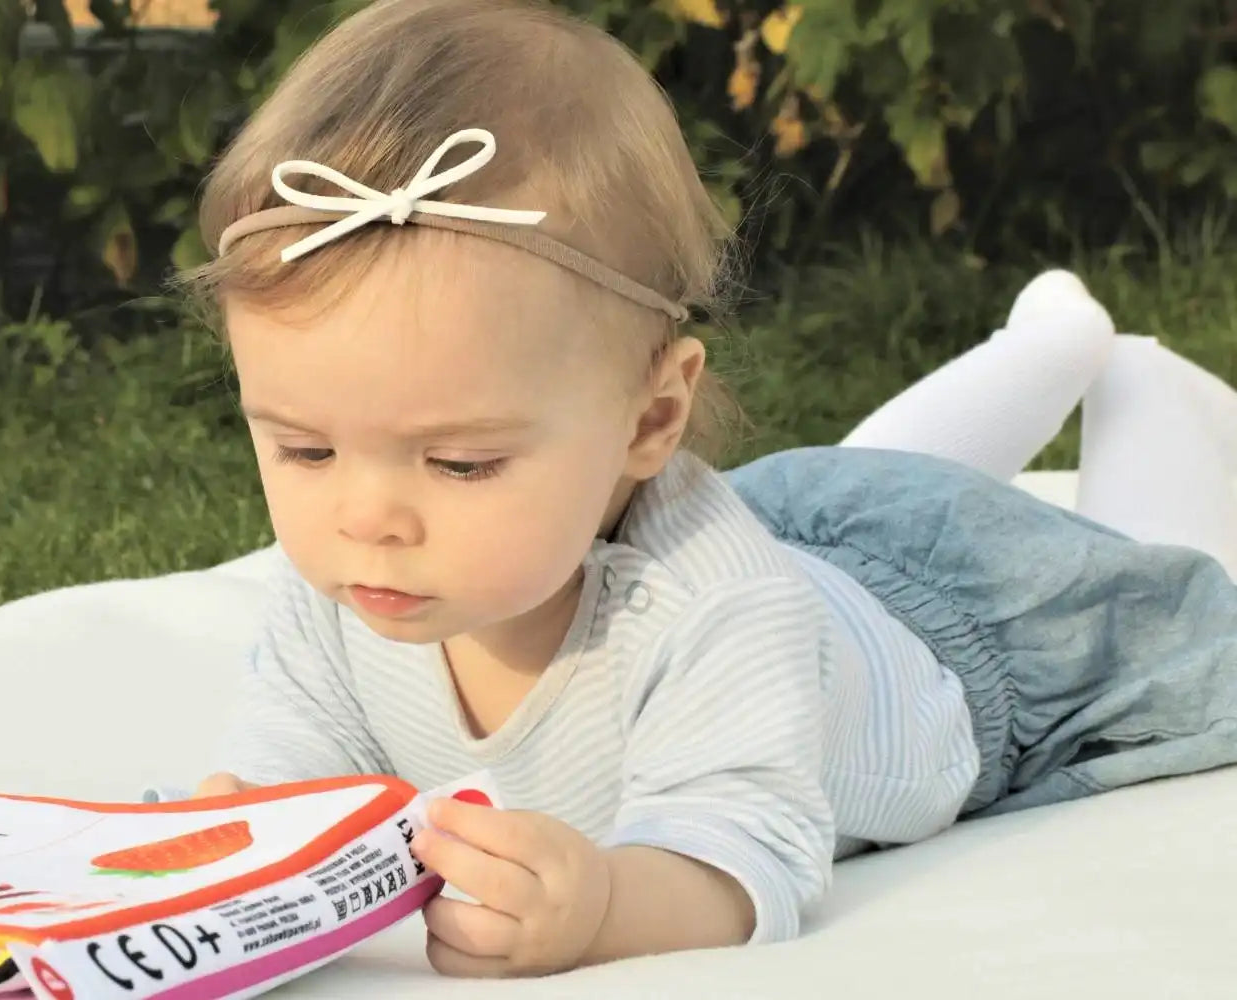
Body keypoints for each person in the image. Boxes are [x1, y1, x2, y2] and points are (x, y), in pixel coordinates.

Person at [161, 0, 1237, 979]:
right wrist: (237, 836)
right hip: (813, 547)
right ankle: (1047, 344)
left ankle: (1146, 387)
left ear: (650, 421)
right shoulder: (345, 589)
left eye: (460, 462)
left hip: (956, 647)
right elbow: (294, 774)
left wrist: (604, 905)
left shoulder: (719, 611)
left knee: (1174, 611)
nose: (368, 518)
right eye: (305, 450)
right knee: (879, 480)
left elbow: (745, 852)